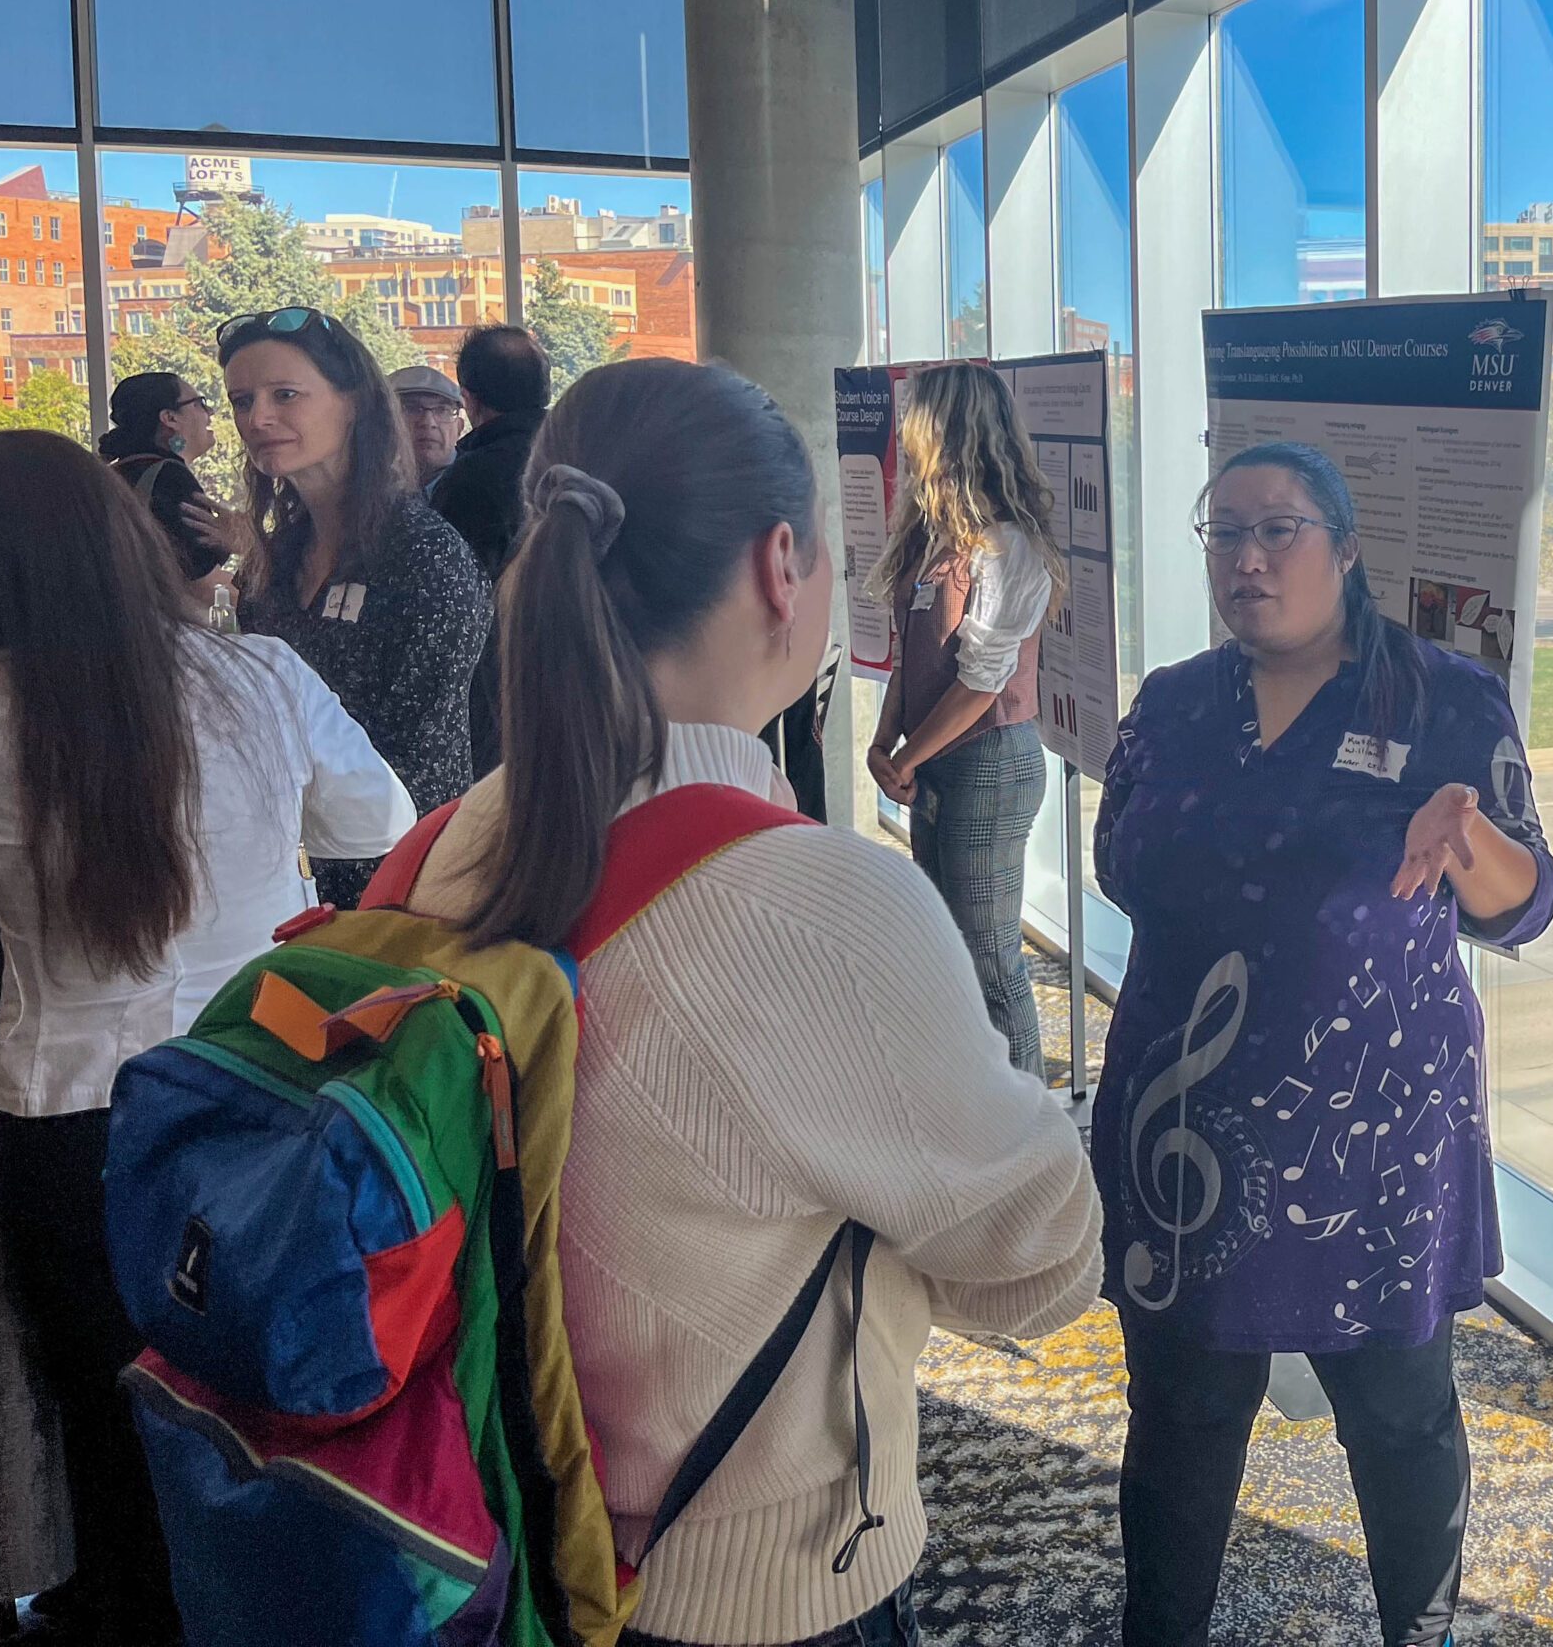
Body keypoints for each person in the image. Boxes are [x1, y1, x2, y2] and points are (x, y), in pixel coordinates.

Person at [392, 359, 1101, 1647]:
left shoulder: (446, 843)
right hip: (753, 1583)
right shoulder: (817, 908)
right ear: (784, 565)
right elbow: (1041, 1266)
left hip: (487, 1539)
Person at [1092, 441, 1553, 1647]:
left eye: (1279, 532)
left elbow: (1527, 900)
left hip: (1368, 1137)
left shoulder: (1439, 699)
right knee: (1183, 1411)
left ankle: (1424, 1627)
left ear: (1345, 550)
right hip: (1182, 1129)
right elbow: (1113, 859)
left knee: (1397, 1414)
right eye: (1225, 534)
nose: (1247, 560)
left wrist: (1467, 841)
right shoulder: (1174, 701)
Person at [0, 430, 414, 1647]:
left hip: (69, 1126)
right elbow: (381, 812)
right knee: (256, 1415)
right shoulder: (261, 676)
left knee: (111, 1445)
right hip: (257, 1108)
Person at [227, 307, 490, 907]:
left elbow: (418, 764)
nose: (258, 418)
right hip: (293, 890)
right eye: (243, 401)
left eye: (285, 394)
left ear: (354, 404)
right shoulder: (276, 561)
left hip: (407, 892)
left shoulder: (423, 557)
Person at [865, 362, 1063, 1077]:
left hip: (990, 765)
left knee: (990, 959)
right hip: (939, 758)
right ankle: (978, 1108)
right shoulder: (932, 539)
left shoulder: (1009, 545)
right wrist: (886, 743)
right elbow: (911, 659)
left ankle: (1030, 1130)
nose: (904, 436)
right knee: (952, 951)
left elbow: (984, 682)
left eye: (914, 420)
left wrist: (907, 757)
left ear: (945, 432)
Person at [432, 325, 553, 775]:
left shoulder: (470, 480)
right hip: (594, 678)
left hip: (499, 695)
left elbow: (449, 599)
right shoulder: (589, 458)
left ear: (469, 399)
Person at [97, 370, 238, 609]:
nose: (210, 413)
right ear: (170, 418)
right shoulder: (169, 479)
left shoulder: (118, 470)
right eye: (200, 404)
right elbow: (204, 588)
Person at [390, 361, 466, 492]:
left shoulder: (479, 485)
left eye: (442, 410)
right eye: (411, 408)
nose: (428, 422)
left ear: (459, 427)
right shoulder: (365, 488)